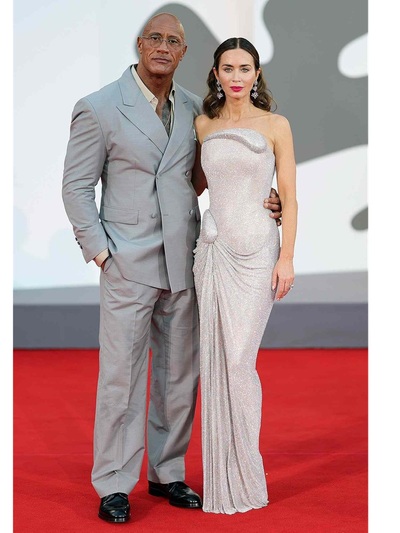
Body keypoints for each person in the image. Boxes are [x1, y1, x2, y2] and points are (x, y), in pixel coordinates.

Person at [62, 13, 282, 523]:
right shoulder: (99, 107)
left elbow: (206, 178)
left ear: (183, 53)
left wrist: (263, 197)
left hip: (187, 258)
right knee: (121, 377)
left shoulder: (193, 108)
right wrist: (101, 251)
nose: (164, 47)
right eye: (156, 38)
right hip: (126, 262)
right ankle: (114, 483)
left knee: (179, 375)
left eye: (174, 41)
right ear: (140, 45)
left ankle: (168, 472)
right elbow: (76, 186)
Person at [193, 37, 298, 514]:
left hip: (257, 252)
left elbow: (289, 197)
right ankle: (223, 473)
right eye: (228, 68)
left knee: (239, 360)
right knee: (217, 361)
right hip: (213, 253)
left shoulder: (276, 125)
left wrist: (287, 257)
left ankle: (247, 473)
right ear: (216, 74)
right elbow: (196, 185)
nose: (236, 76)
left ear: (257, 74)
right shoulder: (203, 125)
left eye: (245, 68)